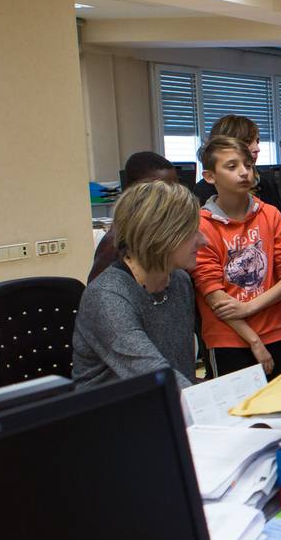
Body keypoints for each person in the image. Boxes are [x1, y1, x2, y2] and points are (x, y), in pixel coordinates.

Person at [72, 180, 205, 390]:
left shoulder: (179, 280)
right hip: (113, 415)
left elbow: (181, 370)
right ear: (160, 236)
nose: (204, 240)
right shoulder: (107, 297)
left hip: (166, 409)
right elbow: (156, 375)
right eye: (192, 232)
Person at [192, 135, 281, 378]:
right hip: (227, 339)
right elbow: (214, 295)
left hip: (272, 331)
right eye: (232, 167)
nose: (244, 173)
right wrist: (254, 341)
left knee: (273, 410)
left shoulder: (270, 215)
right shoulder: (202, 225)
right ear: (210, 177)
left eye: (248, 165)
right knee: (234, 412)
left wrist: (248, 307)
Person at [90, 151, 177, 282]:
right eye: (161, 191)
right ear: (135, 191)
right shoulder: (116, 243)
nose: (173, 197)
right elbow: (97, 294)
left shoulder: (162, 230)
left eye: (175, 188)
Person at [192, 114, 261, 204]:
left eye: (257, 141)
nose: (257, 148)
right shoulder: (203, 191)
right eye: (247, 141)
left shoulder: (264, 182)